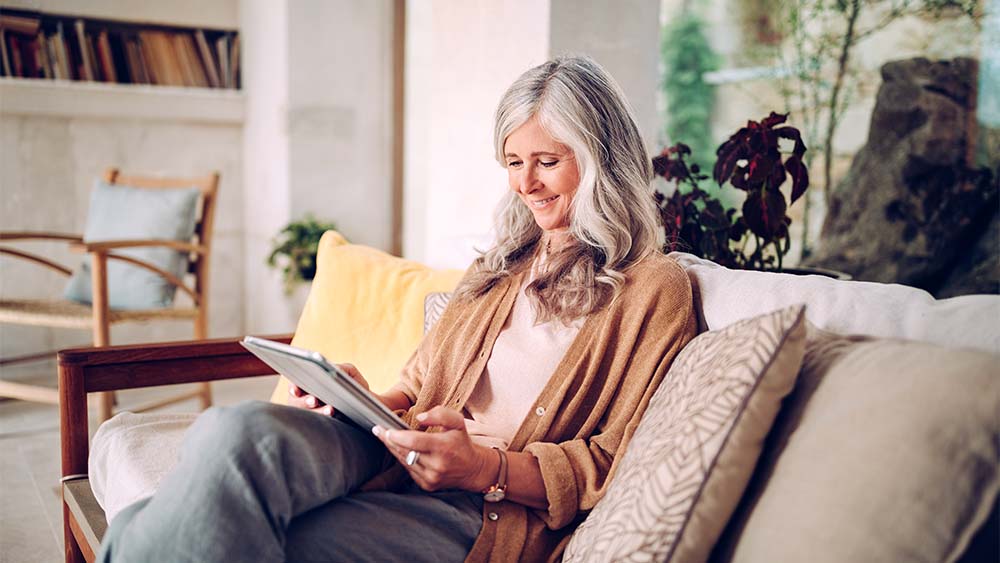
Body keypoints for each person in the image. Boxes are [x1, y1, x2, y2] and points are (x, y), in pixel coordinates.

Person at [97, 55, 696, 563]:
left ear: (599, 159)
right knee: (236, 428)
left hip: (484, 510)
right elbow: (413, 388)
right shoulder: (500, 268)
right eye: (514, 163)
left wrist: (482, 467)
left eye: (547, 161)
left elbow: (614, 461)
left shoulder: (652, 288)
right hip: (395, 451)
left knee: (136, 532)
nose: (526, 184)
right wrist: (359, 400)